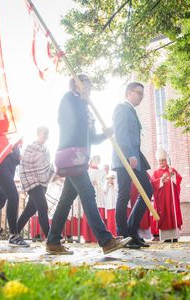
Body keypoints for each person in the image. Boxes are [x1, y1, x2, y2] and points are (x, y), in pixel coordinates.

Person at [46, 74, 131, 255]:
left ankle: (53, 241)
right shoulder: (70, 99)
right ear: (76, 85)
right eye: (87, 85)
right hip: (71, 155)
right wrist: (83, 105)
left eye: (91, 86)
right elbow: (68, 123)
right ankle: (106, 240)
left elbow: (91, 137)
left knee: (66, 200)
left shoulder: (85, 107)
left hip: (80, 158)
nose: (90, 89)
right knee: (87, 193)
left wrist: (106, 134)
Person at [112, 81, 154, 249]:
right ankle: (123, 234)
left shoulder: (132, 111)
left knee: (147, 190)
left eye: (143, 94)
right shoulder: (121, 108)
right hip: (125, 158)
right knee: (124, 194)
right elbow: (121, 133)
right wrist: (129, 155)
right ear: (129, 92)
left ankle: (132, 230)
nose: (142, 97)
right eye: (139, 93)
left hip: (135, 158)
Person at [15, 126, 54, 245]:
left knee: (29, 211)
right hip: (32, 182)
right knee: (43, 207)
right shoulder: (30, 148)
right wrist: (26, 182)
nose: (46, 136)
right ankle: (51, 238)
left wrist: (53, 173)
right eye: (44, 133)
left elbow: (48, 166)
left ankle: (14, 233)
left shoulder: (46, 150)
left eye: (47, 134)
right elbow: (24, 166)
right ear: (37, 134)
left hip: (42, 184)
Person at [151, 148, 183, 242]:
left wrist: (173, 175)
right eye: (159, 161)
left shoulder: (171, 169)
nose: (161, 162)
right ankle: (166, 237)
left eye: (163, 160)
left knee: (173, 214)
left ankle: (175, 236)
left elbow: (178, 180)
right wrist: (161, 180)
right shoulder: (156, 172)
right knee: (164, 215)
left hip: (172, 199)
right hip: (162, 200)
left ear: (166, 160)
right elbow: (153, 183)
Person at [82, 155, 107, 243]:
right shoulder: (87, 171)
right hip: (90, 193)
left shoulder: (102, 171)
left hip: (99, 194)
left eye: (98, 160)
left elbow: (105, 182)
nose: (97, 161)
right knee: (89, 211)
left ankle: (99, 237)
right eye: (95, 160)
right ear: (92, 160)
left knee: (99, 212)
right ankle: (88, 237)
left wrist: (98, 183)